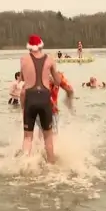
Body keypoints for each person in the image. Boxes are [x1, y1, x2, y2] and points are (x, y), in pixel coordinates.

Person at [19, 34, 67, 164]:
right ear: (41, 45)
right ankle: (51, 164)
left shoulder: (23, 59)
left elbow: (22, 78)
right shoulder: (50, 59)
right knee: (48, 137)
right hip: (45, 98)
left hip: (30, 97)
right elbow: (57, 81)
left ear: (29, 47)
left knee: (27, 137)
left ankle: (24, 164)